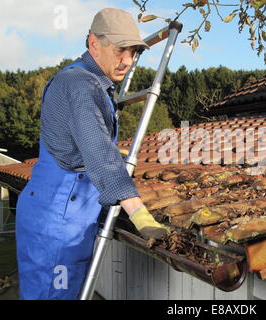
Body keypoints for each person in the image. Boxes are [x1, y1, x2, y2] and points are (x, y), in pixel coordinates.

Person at [15, 8, 168, 300]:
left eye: (134, 52)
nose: (128, 60)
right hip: (58, 222)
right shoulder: (81, 85)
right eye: (120, 50)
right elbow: (97, 148)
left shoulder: (84, 80)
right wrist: (140, 214)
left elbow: (85, 141)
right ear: (94, 43)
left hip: (54, 213)